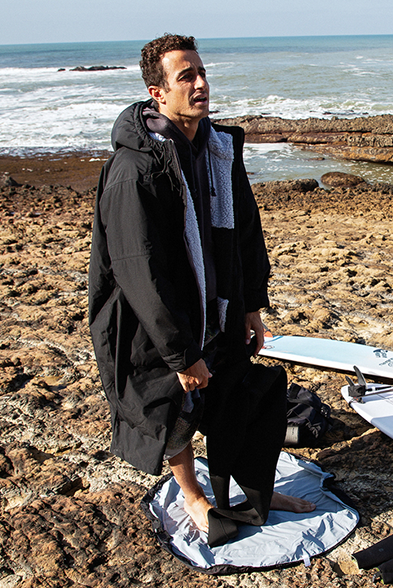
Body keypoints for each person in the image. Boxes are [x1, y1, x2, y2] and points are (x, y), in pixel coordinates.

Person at [88, 34, 311, 546]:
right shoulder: (134, 169)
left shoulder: (216, 149)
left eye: (201, 71)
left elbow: (247, 230)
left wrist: (254, 303)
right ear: (156, 92)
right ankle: (193, 495)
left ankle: (253, 487)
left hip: (222, 305)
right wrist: (179, 352)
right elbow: (136, 269)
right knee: (174, 410)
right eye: (185, 76)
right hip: (158, 320)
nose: (201, 83)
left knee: (238, 395)